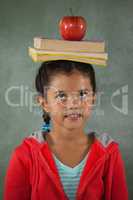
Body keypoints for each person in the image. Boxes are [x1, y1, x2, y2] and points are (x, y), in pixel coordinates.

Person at [4, 60, 128, 200]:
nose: (73, 104)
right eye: (61, 96)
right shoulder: (25, 156)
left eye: (82, 94)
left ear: (93, 99)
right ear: (44, 103)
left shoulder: (109, 153)